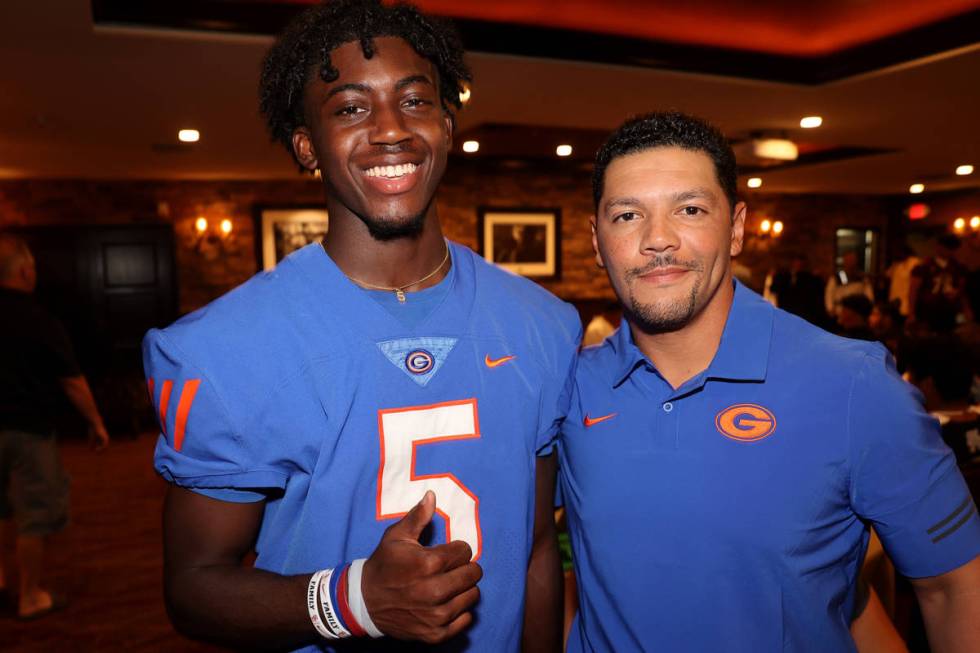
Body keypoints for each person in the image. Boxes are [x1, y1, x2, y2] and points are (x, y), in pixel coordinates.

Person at [143, 2, 579, 651]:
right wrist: (351, 601)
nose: (389, 130)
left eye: (414, 101)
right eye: (350, 108)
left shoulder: (542, 322)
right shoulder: (221, 347)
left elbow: (539, 546)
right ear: (305, 146)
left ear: (447, 125)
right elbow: (194, 586)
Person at [558, 112, 980, 652]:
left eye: (689, 209)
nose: (657, 239)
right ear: (597, 241)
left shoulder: (854, 386)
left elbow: (951, 588)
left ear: (735, 228)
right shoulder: (568, 388)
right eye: (626, 215)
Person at [0, 233, 110, 619]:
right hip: (28, 432)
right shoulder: (38, 320)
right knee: (34, 514)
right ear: (26, 270)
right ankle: (30, 595)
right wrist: (96, 423)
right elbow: (71, 380)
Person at [825, 249, 874, 320]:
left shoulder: (862, 278)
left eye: (853, 260)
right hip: (840, 311)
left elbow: (869, 295)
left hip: (857, 313)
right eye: (848, 260)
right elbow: (829, 293)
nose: (851, 263)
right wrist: (830, 309)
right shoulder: (836, 277)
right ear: (844, 261)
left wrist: (869, 307)